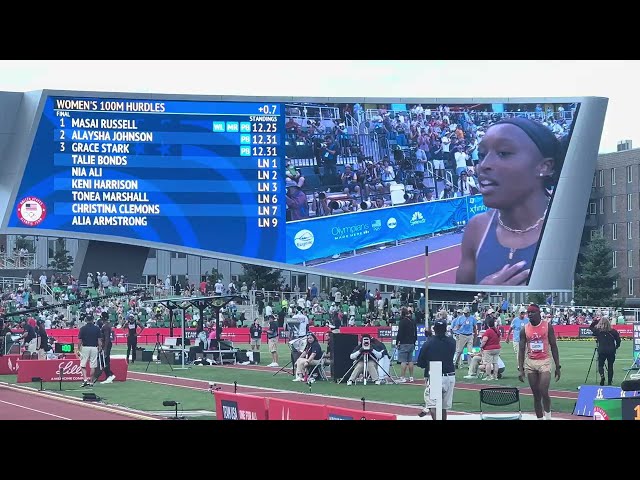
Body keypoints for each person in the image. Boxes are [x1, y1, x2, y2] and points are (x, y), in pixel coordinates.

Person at [456, 117, 566, 285]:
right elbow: (455, 304)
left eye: (504, 153)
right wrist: (481, 296)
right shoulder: (477, 228)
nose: (483, 165)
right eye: (481, 155)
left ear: (545, 167)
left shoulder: (567, 228)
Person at [518, 304, 561, 420]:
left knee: (543, 390)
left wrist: (558, 366)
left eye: (532, 312)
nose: (530, 314)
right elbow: (521, 349)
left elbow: (554, 346)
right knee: (536, 395)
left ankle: (548, 416)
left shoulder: (547, 326)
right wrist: (520, 369)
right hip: (530, 363)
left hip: (544, 361)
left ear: (538, 313)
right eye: (528, 313)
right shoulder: (524, 329)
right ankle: (539, 418)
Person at [416, 319, 456, 420]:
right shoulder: (452, 342)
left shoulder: (428, 343)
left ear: (434, 329)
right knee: (443, 407)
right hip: (450, 374)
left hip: (435, 374)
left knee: (432, 405)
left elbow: (420, 362)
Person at [589, 315, 621, 386]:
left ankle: (602, 376)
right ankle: (609, 381)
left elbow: (591, 327)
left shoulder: (598, 331)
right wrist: (616, 347)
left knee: (600, 365)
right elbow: (618, 340)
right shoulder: (613, 331)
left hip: (602, 350)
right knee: (610, 366)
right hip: (611, 350)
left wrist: (597, 320)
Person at [77, 315, 100, 387]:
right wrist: (99, 348)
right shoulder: (97, 328)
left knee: (83, 364)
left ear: (86, 320)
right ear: (93, 320)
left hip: (85, 347)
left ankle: (85, 379)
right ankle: (91, 381)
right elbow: (99, 340)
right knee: (93, 365)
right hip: (94, 347)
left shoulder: (83, 328)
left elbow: (80, 340)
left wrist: (78, 349)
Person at [396, 307, 417, 382]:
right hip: (411, 343)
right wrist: (414, 342)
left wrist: (397, 342)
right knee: (410, 360)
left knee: (403, 361)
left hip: (404, 343)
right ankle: (411, 377)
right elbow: (415, 333)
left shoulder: (402, 322)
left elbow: (400, 333)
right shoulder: (413, 321)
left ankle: (403, 377)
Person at [93, 317, 116, 384]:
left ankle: (110, 375)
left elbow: (107, 338)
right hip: (106, 345)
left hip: (106, 346)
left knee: (104, 361)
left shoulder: (105, 327)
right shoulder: (107, 326)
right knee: (105, 361)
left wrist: (105, 348)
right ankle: (109, 376)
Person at [480, 311, 501, 380]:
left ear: (488, 324)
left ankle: (488, 376)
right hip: (497, 348)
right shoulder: (497, 330)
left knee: (488, 363)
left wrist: (481, 346)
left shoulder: (488, 331)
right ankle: (495, 376)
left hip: (489, 349)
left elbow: (484, 340)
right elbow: (499, 339)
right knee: (495, 363)